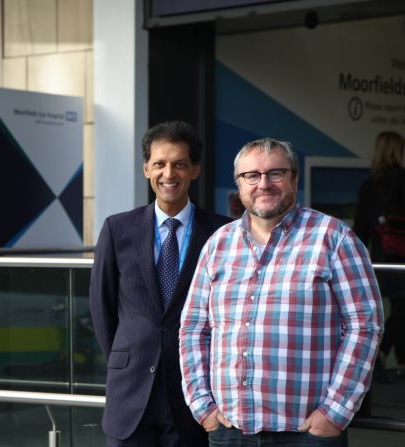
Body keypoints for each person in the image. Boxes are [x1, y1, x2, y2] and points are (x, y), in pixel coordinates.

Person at [179, 138, 383, 446]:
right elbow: (193, 329)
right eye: (252, 175)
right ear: (239, 183)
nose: (264, 184)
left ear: (294, 179)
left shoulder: (334, 238)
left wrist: (335, 412)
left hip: (306, 434)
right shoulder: (218, 245)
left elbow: (365, 326)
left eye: (276, 173)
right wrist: (203, 407)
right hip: (230, 430)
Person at [90, 120, 231, 446]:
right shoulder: (117, 229)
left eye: (180, 164)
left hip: (195, 395)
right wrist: (125, 358)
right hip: (130, 391)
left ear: (195, 170)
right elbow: (102, 308)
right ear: (146, 169)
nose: (169, 174)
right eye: (160, 164)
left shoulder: (223, 233)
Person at [354, 131, 405, 378]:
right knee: (402, 309)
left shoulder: (368, 186)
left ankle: (400, 361)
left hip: (381, 256)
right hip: (401, 255)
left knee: (399, 307)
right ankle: (382, 353)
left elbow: (360, 229)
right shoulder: (403, 180)